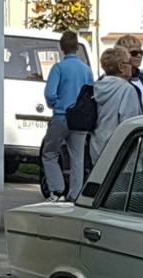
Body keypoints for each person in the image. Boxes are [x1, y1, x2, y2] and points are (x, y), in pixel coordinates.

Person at [41, 31, 94, 202]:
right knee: (77, 157)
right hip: (80, 119)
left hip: (62, 116)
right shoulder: (86, 70)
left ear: (62, 48)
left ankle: (57, 190)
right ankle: (76, 193)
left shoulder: (59, 68)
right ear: (77, 47)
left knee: (49, 153)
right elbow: (91, 93)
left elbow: (50, 93)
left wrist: (56, 104)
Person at [89, 47, 143, 164]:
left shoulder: (97, 87)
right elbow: (129, 122)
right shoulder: (126, 89)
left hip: (97, 146)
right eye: (128, 63)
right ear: (121, 67)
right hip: (119, 150)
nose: (131, 66)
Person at [114, 34, 143, 114]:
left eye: (141, 52)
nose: (139, 56)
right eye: (134, 53)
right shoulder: (115, 83)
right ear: (123, 54)